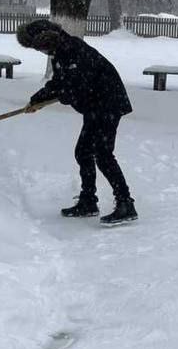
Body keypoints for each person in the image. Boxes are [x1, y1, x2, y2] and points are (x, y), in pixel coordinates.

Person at [16, 19, 137, 226]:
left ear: (47, 41)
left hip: (108, 103)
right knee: (83, 152)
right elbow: (60, 82)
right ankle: (88, 201)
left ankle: (126, 204)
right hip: (95, 105)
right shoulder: (59, 52)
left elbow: (75, 88)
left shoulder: (74, 50)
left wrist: (52, 99)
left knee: (103, 154)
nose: (42, 53)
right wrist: (37, 99)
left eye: (40, 48)